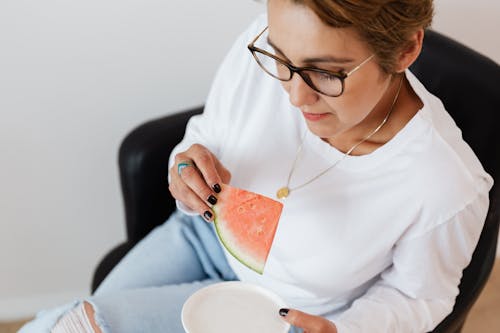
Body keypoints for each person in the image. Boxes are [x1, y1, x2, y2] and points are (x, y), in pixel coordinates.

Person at [20, 0, 493, 332]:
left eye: (325, 73)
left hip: (287, 311)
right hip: (202, 234)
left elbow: (421, 299)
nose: (293, 95)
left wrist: (341, 330)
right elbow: (209, 132)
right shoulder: (259, 41)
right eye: (281, 59)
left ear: (407, 49)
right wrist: (186, 166)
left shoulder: (446, 182)